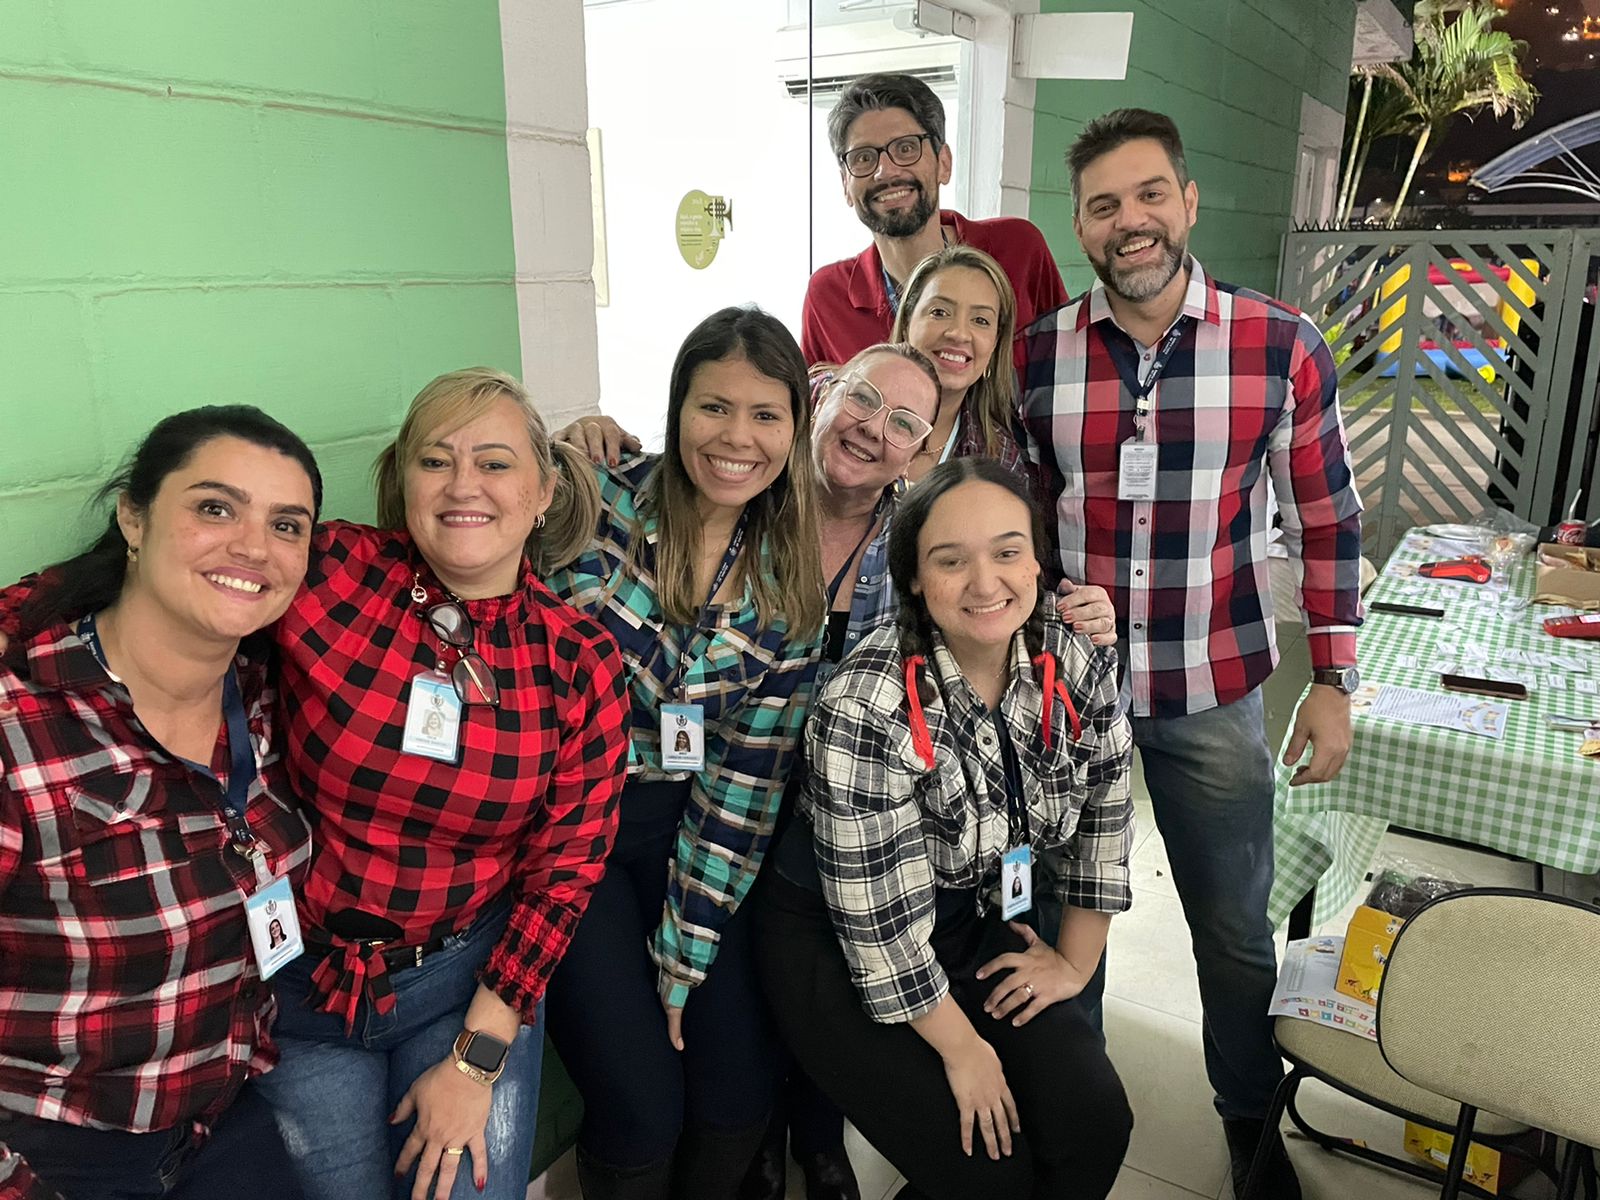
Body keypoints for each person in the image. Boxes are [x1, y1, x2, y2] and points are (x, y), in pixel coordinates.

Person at [559, 342, 1119, 1200]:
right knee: (726, 1054)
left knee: (1078, 1122)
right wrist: (578, 442)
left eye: (905, 423)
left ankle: (817, 1145)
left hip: (823, 827)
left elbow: (1101, 806)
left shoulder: (940, 562)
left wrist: (1074, 966)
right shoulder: (739, 503)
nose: (873, 429)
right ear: (820, 398)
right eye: (861, 399)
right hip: (723, 820)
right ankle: (770, 1149)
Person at [1016, 108, 1365, 1198]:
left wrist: (1334, 681)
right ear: (1079, 225)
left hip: (1211, 689)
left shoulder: (1280, 344)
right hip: (1064, 702)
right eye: (1104, 205)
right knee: (1065, 930)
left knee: (1232, 932)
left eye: (1149, 194)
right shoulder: (1036, 357)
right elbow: (1015, 521)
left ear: (1188, 201)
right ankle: (1074, 1124)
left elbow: (1326, 520)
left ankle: (1248, 1121)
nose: (1130, 221)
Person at [245, 368, 632, 1200]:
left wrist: (477, 1060)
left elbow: (564, 876)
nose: (463, 486)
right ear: (403, 481)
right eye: (435, 461)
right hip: (300, 988)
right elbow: (181, 586)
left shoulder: (578, 659)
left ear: (543, 492)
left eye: (494, 462)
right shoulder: (331, 572)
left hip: (466, 988)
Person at [756, 458, 1135, 1200]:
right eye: (950, 560)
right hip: (838, 940)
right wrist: (965, 1051)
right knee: (986, 1171)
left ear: (1037, 561)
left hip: (963, 914)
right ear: (913, 580)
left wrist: (1073, 964)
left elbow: (1106, 814)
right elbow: (881, 930)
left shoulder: (1072, 655)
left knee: (1093, 1122)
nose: (985, 583)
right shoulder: (864, 704)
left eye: (1007, 552)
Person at [0, 407, 321, 1199]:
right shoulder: (19, 723)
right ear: (133, 519)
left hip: (220, 1118)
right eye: (216, 507)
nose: (254, 547)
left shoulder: (270, 694)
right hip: (57, 1149)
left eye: (286, 525)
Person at [542, 307, 825, 1200]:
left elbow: (744, 785)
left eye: (766, 414)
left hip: (688, 828)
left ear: (794, 430)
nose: (737, 437)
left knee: (738, 1088)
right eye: (714, 407)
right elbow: (487, 498)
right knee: (641, 1105)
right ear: (675, 409)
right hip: (567, 835)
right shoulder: (596, 501)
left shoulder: (787, 587)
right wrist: (556, 441)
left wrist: (685, 952)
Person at [801, 73, 1066, 369]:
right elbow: (811, 394)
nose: (885, 172)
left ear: (944, 163)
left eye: (906, 148)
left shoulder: (1018, 249)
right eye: (863, 158)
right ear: (845, 184)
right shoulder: (827, 297)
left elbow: (1069, 361)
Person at [889, 245, 1026, 482]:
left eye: (980, 320)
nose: (959, 334)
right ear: (907, 322)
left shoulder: (1000, 461)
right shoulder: (842, 407)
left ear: (995, 343)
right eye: (939, 312)